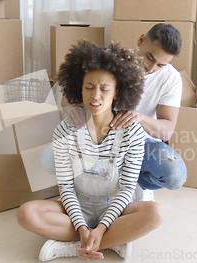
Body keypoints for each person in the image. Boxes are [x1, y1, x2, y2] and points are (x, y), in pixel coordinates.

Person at [17, 41, 164, 261]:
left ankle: (73, 246)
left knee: (155, 213)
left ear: (117, 92)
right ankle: (108, 242)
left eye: (105, 89)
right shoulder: (65, 130)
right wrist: (82, 227)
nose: (96, 96)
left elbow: (126, 189)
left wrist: (103, 227)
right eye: (89, 87)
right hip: (76, 206)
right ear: (79, 88)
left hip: (114, 208)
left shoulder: (132, 132)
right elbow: (66, 187)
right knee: (26, 213)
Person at [42, 23, 187, 201]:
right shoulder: (110, 60)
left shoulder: (171, 78)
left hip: (141, 143)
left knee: (175, 175)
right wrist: (72, 110)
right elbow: (68, 98)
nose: (150, 68)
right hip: (99, 138)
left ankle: (136, 182)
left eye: (160, 65)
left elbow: (166, 129)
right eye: (149, 57)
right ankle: (100, 182)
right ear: (141, 40)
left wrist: (140, 117)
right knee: (49, 159)